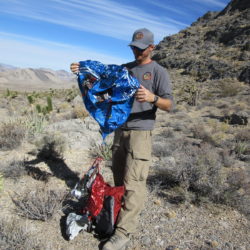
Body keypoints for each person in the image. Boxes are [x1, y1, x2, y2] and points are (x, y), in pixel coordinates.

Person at [70, 28, 173, 250]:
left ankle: (124, 234)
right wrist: (82, 70)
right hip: (120, 131)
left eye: (141, 48)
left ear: (152, 47)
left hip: (140, 134)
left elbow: (169, 104)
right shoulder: (125, 69)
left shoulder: (158, 72)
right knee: (119, 180)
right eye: (134, 47)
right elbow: (103, 80)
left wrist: (152, 98)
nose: (137, 50)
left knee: (134, 184)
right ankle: (117, 215)